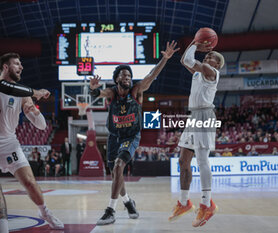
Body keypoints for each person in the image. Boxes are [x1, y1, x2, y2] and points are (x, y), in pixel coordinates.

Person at [89, 41, 179, 225]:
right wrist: (93, 88)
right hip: (114, 137)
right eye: (124, 75)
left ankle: (110, 211)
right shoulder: (112, 93)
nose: (128, 77)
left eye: (129, 75)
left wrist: (165, 59)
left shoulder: (137, 91)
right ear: (117, 79)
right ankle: (128, 202)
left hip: (131, 136)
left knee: (118, 166)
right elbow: (99, 94)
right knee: (116, 174)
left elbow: (151, 75)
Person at [0, 53, 64, 232]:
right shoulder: (7, 87)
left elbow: (42, 126)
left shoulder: (22, 93)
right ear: (5, 67)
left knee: (30, 182)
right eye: (16, 64)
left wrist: (34, 113)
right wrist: (36, 93)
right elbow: (8, 89)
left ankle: (44, 212)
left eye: (21, 64)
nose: (21, 67)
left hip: (9, 144)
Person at [168, 40, 225, 227]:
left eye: (213, 58)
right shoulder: (199, 73)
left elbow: (189, 59)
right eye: (207, 56)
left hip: (205, 115)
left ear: (218, 65)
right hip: (193, 116)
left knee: (202, 160)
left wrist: (195, 43)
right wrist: (195, 45)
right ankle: (184, 203)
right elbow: (185, 61)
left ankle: (207, 203)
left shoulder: (212, 73)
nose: (208, 58)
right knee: (183, 161)